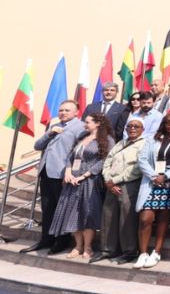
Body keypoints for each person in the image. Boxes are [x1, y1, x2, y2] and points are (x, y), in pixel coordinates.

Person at [44, 113, 110, 261]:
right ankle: (78, 246)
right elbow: (70, 157)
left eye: (87, 122)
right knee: (73, 213)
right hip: (72, 180)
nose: (84, 124)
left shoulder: (106, 139)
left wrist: (84, 175)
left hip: (89, 181)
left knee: (87, 214)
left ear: (98, 123)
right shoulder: (82, 136)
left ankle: (88, 247)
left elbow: (104, 161)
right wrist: (68, 171)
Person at [23, 100, 85, 255]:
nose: (63, 113)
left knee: (61, 209)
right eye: (61, 110)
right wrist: (50, 133)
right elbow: (38, 146)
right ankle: (46, 239)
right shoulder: (54, 125)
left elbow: (78, 152)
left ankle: (61, 240)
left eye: (67, 110)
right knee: (47, 208)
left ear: (76, 112)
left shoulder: (80, 127)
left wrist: (71, 171)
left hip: (62, 174)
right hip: (46, 172)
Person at [93, 117, 146, 265]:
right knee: (108, 215)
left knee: (127, 217)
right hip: (111, 183)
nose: (133, 128)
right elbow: (108, 161)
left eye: (137, 126)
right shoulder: (120, 143)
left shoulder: (144, 144)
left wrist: (114, 181)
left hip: (129, 184)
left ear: (143, 129)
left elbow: (137, 168)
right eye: (130, 126)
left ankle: (129, 251)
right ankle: (107, 249)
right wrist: (108, 180)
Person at [135, 114, 170, 269]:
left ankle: (156, 252)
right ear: (163, 124)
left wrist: (166, 176)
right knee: (145, 219)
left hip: (169, 184)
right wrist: (153, 175)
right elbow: (142, 159)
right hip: (151, 182)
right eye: (167, 122)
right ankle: (143, 253)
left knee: (163, 220)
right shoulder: (152, 139)